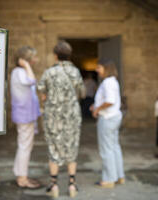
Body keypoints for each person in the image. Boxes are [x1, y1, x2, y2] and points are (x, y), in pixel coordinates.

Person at [37, 41, 85, 198]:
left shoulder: (49, 72)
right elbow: (82, 93)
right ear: (69, 55)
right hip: (72, 114)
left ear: (55, 55)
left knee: (53, 147)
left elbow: (41, 91)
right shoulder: (75, 72)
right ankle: (72, 185)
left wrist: (49, 99)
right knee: (72, 146)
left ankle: (54, 185)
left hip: (53, 115)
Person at [90, 59, 125, 188]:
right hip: (114, 116)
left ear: (106, 68)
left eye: (99, 67)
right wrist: (96, 106)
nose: (97, 70)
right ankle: (119, 176)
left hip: (107, 118)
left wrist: (98, 109)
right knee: (114, 147)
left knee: (106, 149)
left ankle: (109, 178)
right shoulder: (112, 81)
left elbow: (109, 101)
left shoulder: (107, 83)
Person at [10, 46, 41, 189]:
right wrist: (27, 65)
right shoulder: (20, 72)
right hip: (24, 115)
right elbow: (31, 81)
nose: (36, 60)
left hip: (26, 114)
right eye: (32, 58)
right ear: (25, 60)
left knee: (24, 146)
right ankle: (22, 179)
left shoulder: (19, 72)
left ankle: (20, 174)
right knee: (25, 147)